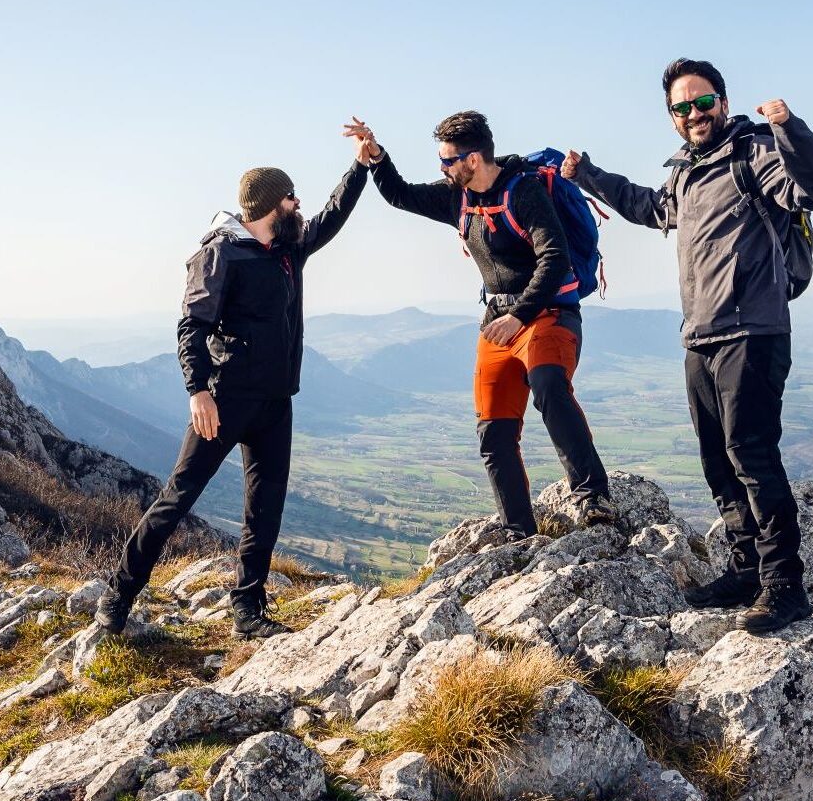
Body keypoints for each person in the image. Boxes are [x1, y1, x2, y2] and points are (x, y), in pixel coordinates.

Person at [562, 58, 813, 634]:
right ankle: (746, 568)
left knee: (752, 455)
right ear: (672, 117)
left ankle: (785, 585)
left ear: (723, 103)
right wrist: (586, 174)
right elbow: (647, 207)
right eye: (682, 107)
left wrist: (789, 127)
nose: (694, 113)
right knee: (717, 457)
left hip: (753, 331)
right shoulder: (685, 173)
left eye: (703, 101)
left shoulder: (755, 153)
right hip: (701, 334)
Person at [95, 134, 372, 640]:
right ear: (269, 205)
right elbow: (191, 325)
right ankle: (117, 595)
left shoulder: (287, 249)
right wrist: (198, 391)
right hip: (225, 400)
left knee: (265, 508)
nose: (298, 204)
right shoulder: (221, 254)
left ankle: (248, 609)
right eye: (290, 197)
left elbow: (331, 217)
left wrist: (360, 166)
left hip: (276, 400)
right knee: (178, 497)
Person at [345, 112, 614, 540]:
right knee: (494, 429)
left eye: (447, 161)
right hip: (498, 322)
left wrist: (519, 315)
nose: (442, 169)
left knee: (548, 385)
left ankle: (593, 497)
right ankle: (518, 531)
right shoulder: (458, 197)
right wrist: (377, 156)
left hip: (548, 313)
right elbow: (400, 195)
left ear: (473, 159)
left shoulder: (524, 192)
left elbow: (554, 258)